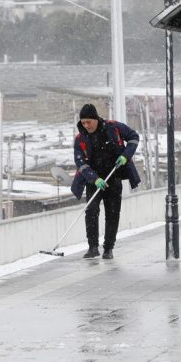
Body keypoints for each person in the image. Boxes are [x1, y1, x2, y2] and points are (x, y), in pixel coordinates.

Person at [71, 103, 141, 259]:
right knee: (91, 212)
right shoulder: (80, 139)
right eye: (83, 122)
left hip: (113, 176)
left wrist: (126, 155)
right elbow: (80, 162)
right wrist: (94, 179)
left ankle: (108, 248)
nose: (86, 125)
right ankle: (93, 247)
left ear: (95, 119)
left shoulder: (113, 127)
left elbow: (134, 137)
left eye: (88, 121)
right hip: (93, 180)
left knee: (112, 213)